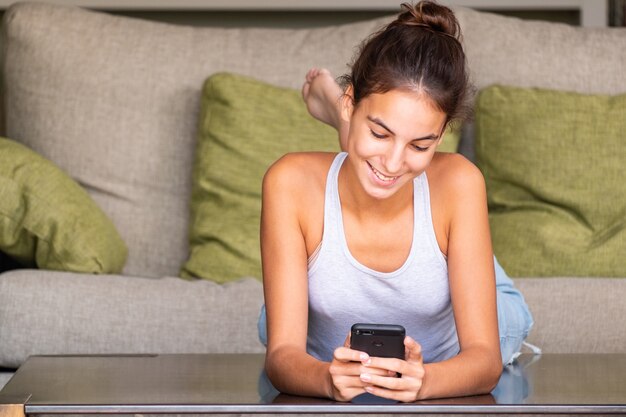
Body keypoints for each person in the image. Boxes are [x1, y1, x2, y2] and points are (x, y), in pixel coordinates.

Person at [260, 1, 534, 403]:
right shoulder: (288, 181)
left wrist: (421, 382)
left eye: (420, 144)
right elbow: (282, 356)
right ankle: (351, 130)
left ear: (439, 138)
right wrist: (325, 380)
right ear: (352, 101)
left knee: (502, 315)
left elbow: (485, 361)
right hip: (337, 311)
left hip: (445, 325)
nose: (392, 161)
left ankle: (354, 136)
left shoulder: (458, 180)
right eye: (381, 132)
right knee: (274, 322)